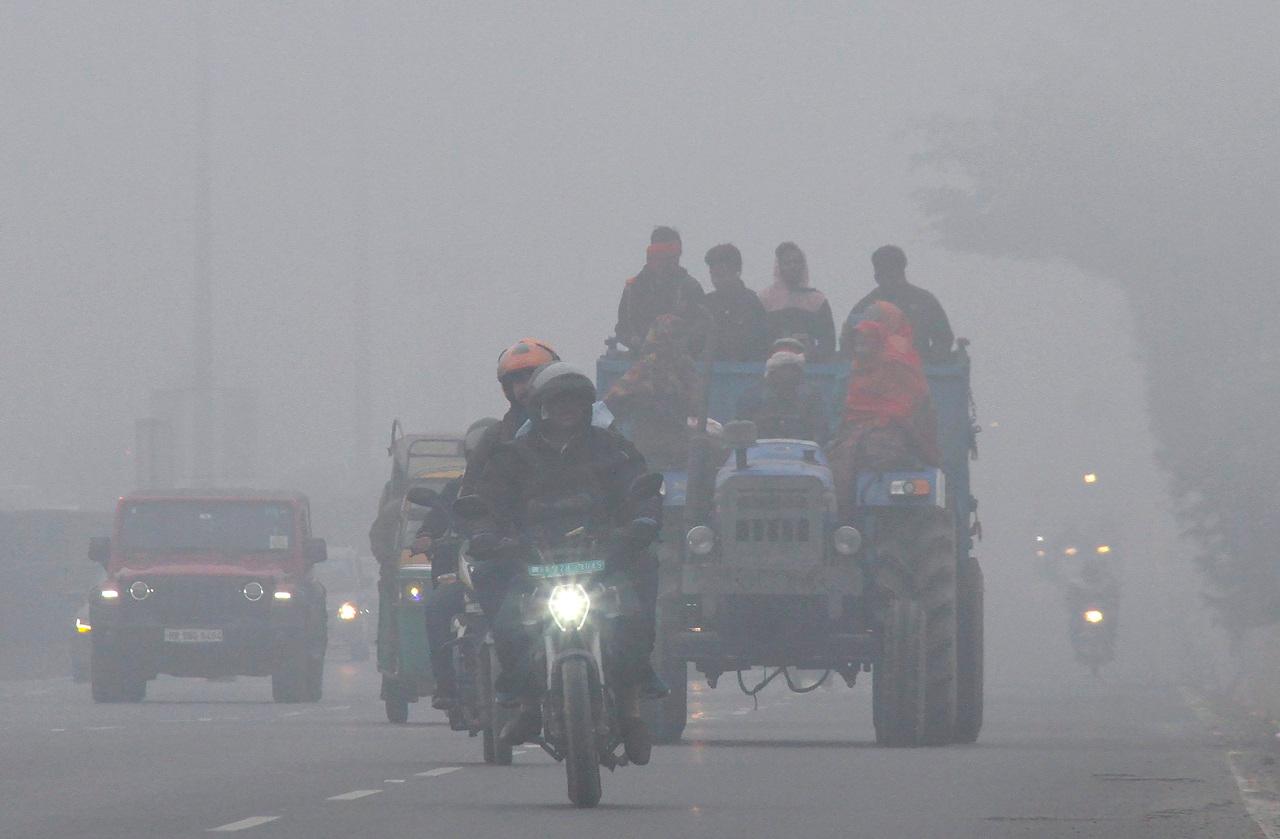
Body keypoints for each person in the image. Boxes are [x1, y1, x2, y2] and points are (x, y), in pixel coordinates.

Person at [468, 362, 666, 763]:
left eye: (574, 402)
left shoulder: (614, 449)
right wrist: (487, 533)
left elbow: (640, 486)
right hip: (534, 562)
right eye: (557, 402)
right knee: (508, 621)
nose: (566, 410)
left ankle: (630, 710)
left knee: (634, 612)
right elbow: (487, 502)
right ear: (540, 407)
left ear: (587, 407)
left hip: (603, 559)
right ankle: (525, 703)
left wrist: (642, 521)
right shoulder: (512, 456)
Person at [413, 418, 499, 713]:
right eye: (480, 456)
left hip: (509, 575)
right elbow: (435, 520)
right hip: (467, 577)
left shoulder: (517, 485)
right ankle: (446, 685)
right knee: (436, 607)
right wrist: (426, 536)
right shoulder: (455, 490)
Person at [827, 302, 940, 516]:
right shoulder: (852, 373)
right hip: (868, 442)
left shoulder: (897, 364)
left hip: (893, 443)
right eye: (860, 336)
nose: (864, 341)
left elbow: (910, 411)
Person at [460, 338, 560, 496]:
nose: (527, 385)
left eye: (533, 376)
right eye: (519, 380)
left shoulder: (589, 427)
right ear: (509, 388)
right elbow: (471, 494)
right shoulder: (495, 438)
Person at [603, 314, 701, 470]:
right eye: (674, 336)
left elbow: (696, 405)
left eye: (680, 336)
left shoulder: (685, 366)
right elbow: (613, 401)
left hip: (678, 445)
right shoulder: (646, 366)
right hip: (650, 446)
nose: (678, 342)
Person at [842, 245, 954, 363]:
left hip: (916, 374)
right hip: (875, 374)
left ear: (902, 271)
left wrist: (928, 363)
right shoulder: (865, 306)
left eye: (891, 272)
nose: (888, 278)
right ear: (876, 275)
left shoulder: (925, 302)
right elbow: (848, 342)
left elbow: (943, 339)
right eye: (882, 272)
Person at [613, 226, 707, 355]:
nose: (669, 260)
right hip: (639, 362)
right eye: (662, 253)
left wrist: (677, 345)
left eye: (674, 253)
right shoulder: (633, 289)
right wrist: (639, 342)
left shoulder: (690, 288)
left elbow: (701, 330)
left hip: (680, 364)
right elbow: (623, 329)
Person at [736, 339, 830, 444]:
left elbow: (821, 432)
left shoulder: (812, 396)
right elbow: (740, 432)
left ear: (799, 373)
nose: (788, 374)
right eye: (783, 368)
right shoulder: (752, 395)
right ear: (772, 372)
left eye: (793, 369)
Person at [758, 242, 836, 361]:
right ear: (779, 266)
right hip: (772, 368)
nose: (793, 266)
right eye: (787, 263)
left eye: (797, 262)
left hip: (809, 370)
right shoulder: (765, 299)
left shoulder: (817, 300)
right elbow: (757, 340)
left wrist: (813, 354)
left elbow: (828, 342)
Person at [703, 243, 769, 361]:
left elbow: (761, 344)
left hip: (746, 373)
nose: (717, 280)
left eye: (722, 274)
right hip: (711, 373)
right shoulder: (706, 304)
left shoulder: (752, 303)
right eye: (713, 275)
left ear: (737, 270)